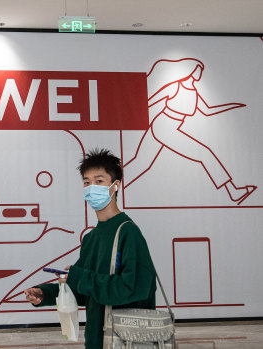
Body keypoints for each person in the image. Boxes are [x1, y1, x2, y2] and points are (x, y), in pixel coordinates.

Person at [24, 148, 156, 348]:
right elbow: (85, 291)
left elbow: (133, 290)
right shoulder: (91, 238)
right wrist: (46, 294)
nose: (91, 187)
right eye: (87, 182)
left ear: (115, 186)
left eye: (99, 181)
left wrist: (81, 277)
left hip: (125, 341)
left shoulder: (129, 233)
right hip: (96, 341)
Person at [124, 58, 255, 204]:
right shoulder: (175, 87)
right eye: (198, 68)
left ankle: (109, 190)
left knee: (140, 163)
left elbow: (208, 111)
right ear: (191, 70)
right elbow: (149, 102)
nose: (200, 71)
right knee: (205, 154)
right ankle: (233, 191)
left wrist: (232, 106)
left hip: (169, 126)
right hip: (163, 126)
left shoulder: (194, 92)